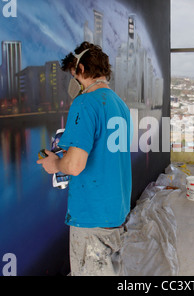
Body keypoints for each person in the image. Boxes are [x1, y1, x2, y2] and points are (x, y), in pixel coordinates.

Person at [37, 42, 132, 276]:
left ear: (79, 70)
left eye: (73, 76)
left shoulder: (85, 103)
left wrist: (55, 164)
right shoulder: (120, 105)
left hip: (92, 216)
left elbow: (75, 165)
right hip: (116, 212)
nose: (74, 83)